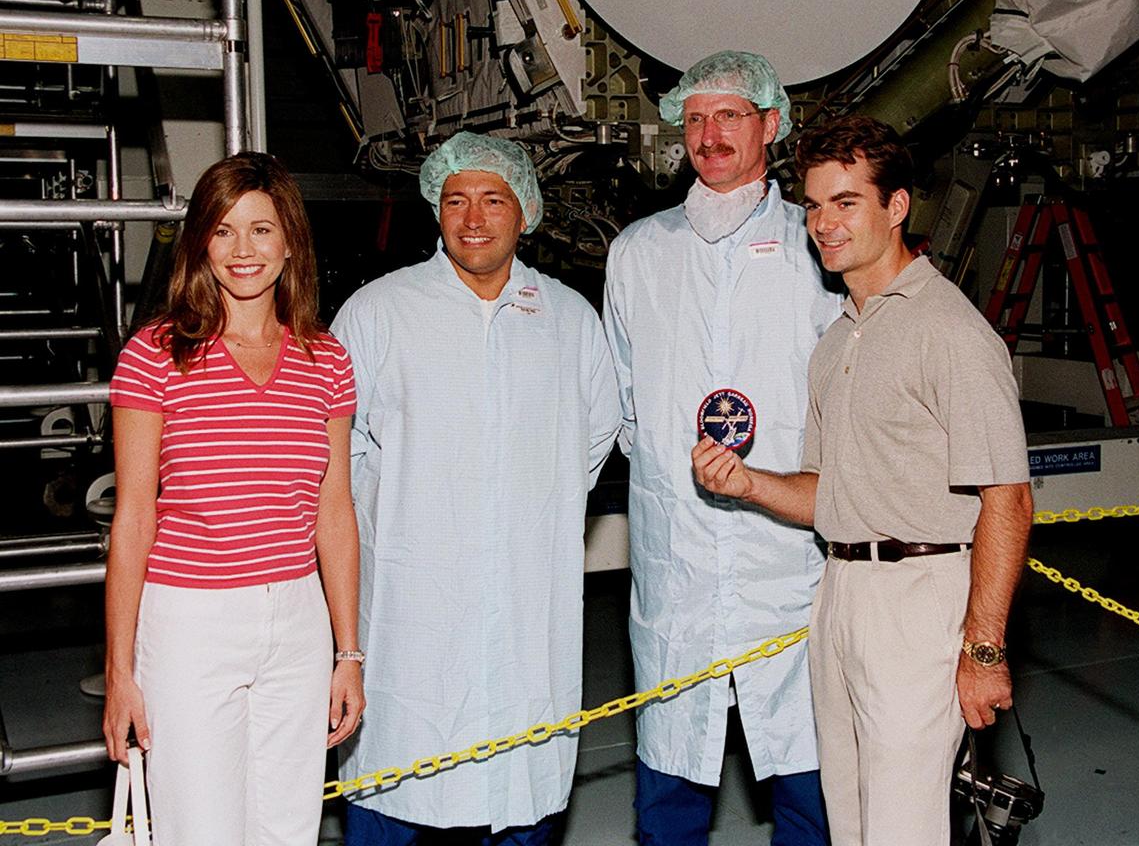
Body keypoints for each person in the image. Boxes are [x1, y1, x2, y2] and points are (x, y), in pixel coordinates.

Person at [691, 115, 1034, 845]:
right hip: (840, 592)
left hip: (921, 598)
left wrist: (983, 649)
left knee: (903, 828)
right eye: (814, 206)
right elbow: (828, 492)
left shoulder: (949, 331)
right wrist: (747, 482)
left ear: (897, 206)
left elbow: (1008, 498)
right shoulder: (839, 337)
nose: (824, 223)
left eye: (846, 202)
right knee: (849, 824)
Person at [333, 132, 620, 845]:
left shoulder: (567, 319)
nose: (473, 219)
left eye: (494, 200)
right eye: (456, 200)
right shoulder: (377, 314)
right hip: (408, 615)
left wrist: (525, 501)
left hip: (528, 607)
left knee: (518, 783)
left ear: (526, 210)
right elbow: (339, 457)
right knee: (400, 780)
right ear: (435, 208)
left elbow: (595, 433)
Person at [603, 50, 840, 845]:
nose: (710, 135)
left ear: (770, 125)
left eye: (730, 116)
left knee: (807, 764)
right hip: (681, 560)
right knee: (673, 765)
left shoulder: (816, 249)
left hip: (790, 555)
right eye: (696, 118)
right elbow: (627, 397)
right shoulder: (639, 250)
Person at [104, 152, 365, 846]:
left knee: (288, 830)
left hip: (297, 621)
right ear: (200, 243)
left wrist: (349, 652)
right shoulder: (156, 354)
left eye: (261, 229)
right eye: (223, 231)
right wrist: (119, 669)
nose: (243, 250)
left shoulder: (326, 358)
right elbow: (132, 519)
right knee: (201, 833)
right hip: (191, 621)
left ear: (289, 242)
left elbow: (334, 514)